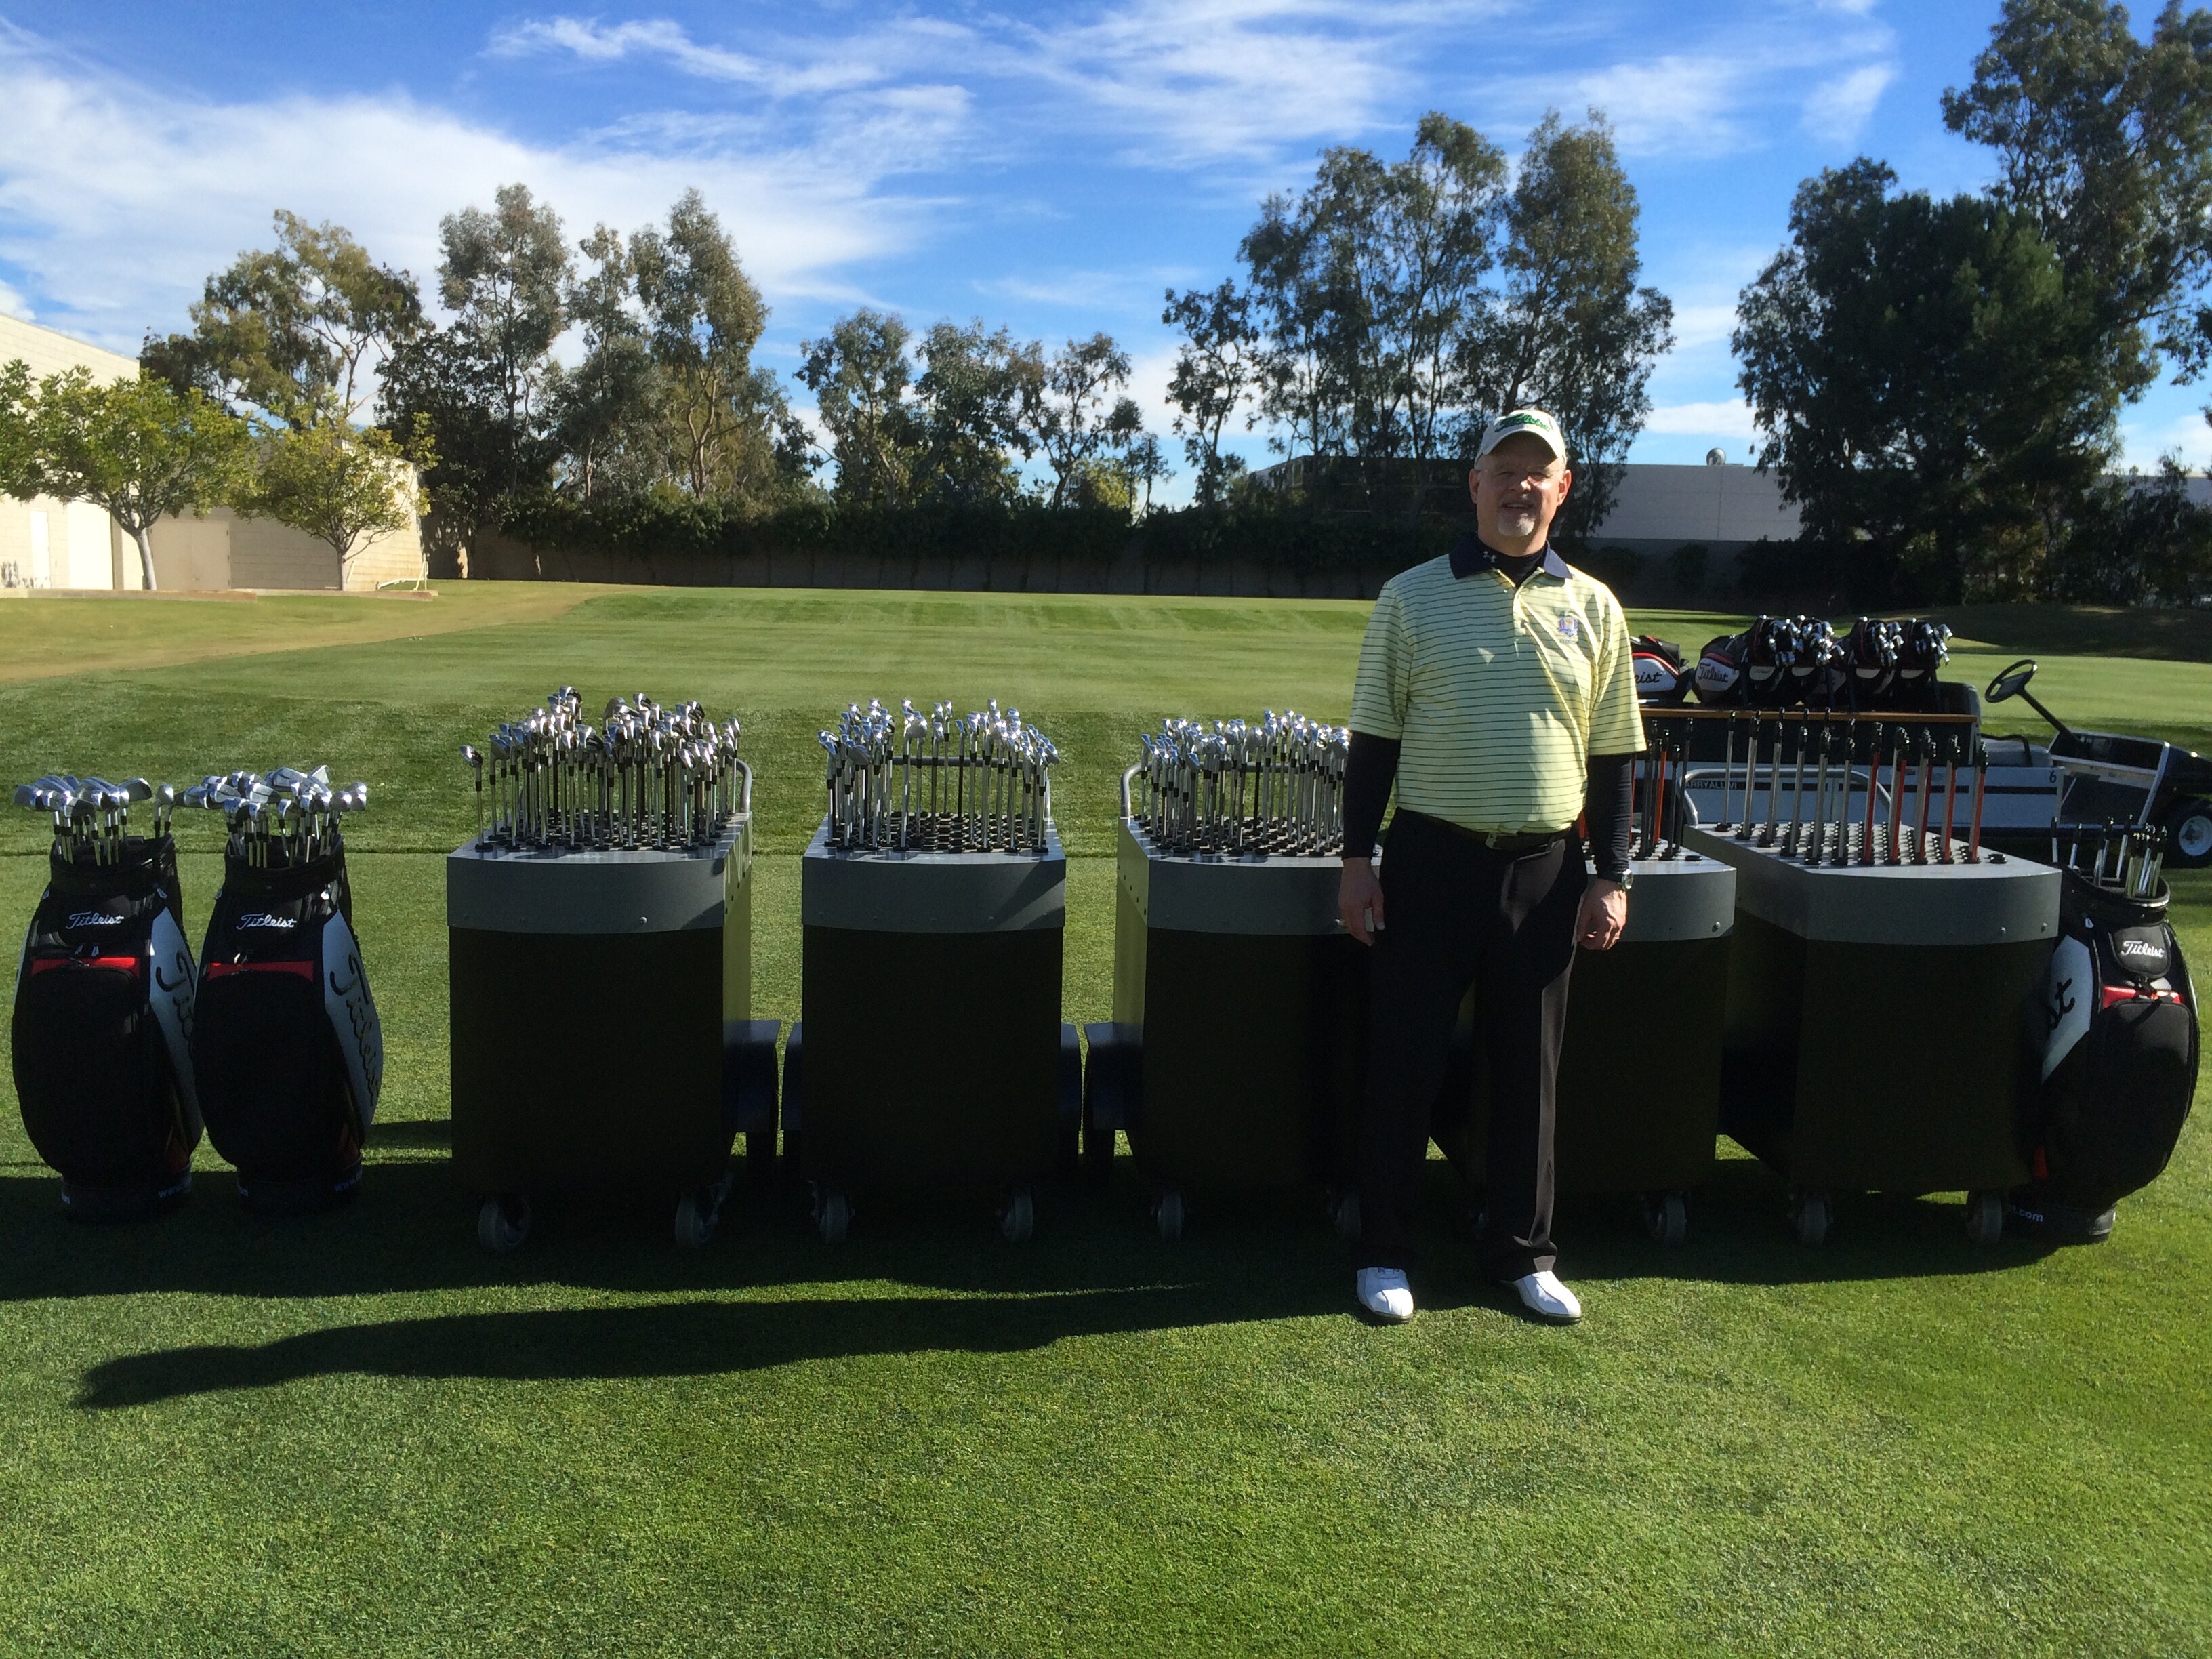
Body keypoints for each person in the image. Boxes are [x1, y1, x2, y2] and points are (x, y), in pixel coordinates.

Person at [1337, 408, 1643, 1326]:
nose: (1519, 487)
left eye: (1536, 472)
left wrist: (1612, 873)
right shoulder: (1410, 597)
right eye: (1502, 471)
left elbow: (1614, 755)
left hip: (1546, 869)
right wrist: (1357, 860)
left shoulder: (1596, 607)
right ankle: (1383, 1250)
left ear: (1563, 488)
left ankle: (1522, 1252)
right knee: (1405, 1063)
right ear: (1474, 485)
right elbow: (1374, 742)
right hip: (1431, 860)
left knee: (1529, 1074)